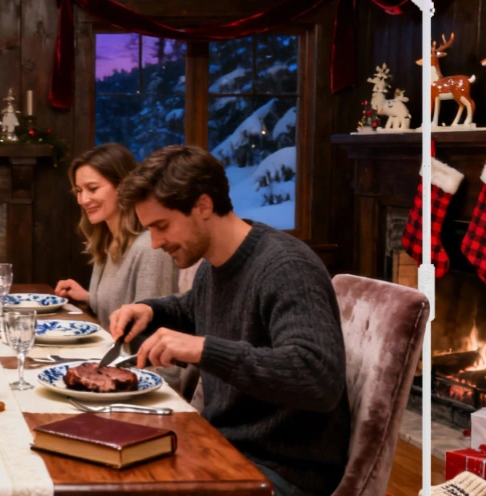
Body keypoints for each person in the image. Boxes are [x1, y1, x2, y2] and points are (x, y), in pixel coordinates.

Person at [108, 145, 350, 496]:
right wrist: (151, 310)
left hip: (282, 471)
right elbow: (196, 308)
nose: (156, 243)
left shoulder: (286, 267)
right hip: (223, 448)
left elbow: (317, 376)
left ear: (203, 206)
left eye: (162, 226)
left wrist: (204, 349)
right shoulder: (214, 266)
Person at [51, 144, 180, 389]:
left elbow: (154, 339)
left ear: (123, 186)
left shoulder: (149, 249)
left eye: (92, 189)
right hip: (112, 370)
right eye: (79, 191)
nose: (83, 199)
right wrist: (91, 298)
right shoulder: (108, 243)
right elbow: (124, 313)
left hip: (146, 384)